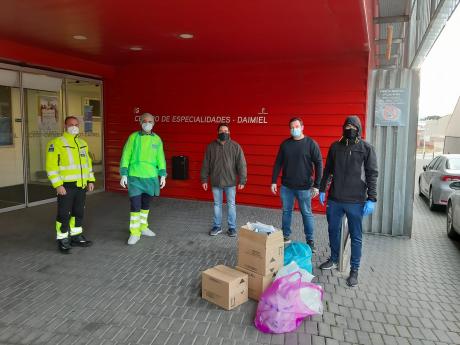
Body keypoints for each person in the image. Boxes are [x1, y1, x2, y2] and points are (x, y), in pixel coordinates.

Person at [318, 115, 378, 287]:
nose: (349, 128)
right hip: (335, 198)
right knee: (332, 230)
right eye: (347, 125)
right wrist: (322, 189)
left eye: (353, 126)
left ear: (358, 129)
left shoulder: (366, 148)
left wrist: (372, 198)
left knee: (356, 236)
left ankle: (354, 270)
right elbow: (328, 170)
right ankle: (334, 258)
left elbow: (372, 173)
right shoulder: (335, 147)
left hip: (356, 200)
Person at [271, 117, 323, 251]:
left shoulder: (311, 144)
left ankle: (310, 241)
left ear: (302, 127)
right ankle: (285, 236)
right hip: (287, 187)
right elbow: (278, 163)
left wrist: (317, 185)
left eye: (297, 126)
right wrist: (273, 181)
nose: (294, 129)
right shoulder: (285, 144)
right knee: (286, 212)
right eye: (292, 127)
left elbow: (319, 164)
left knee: (307, 213)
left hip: (305, 188)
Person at [46, 116, 95, 253]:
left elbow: (88, 165)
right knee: (64, 214)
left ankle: (76, 236)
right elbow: (51, 167)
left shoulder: (82, 143)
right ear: (65, 126)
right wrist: (58, 185)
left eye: (76, 124)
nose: (74, 127)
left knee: (78, 212)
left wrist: (90, 180)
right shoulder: (56, 143)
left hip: (81, 186)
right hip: (65, 186)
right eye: (71, 124)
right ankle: (62, 239)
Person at [120, 113, 167, 245]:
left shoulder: (157, 139)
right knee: (135, 205)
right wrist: (124, 173)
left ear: (154, 123)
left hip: (151, 178)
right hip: (135, 177)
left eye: (150, 121)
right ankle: (135, 233)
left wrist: (163, 175)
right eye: (145, 121)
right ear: (140, 122)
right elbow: (126, 155)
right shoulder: (133, 137)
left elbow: (160, 158)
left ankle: (143, 227)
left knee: (146, 205)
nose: (147, 123)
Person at [201, 123, 247, 237]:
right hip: (216, 181)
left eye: (226, 131)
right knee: (217, 205)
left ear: (229, 132)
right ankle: (217, 226)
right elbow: (206, 164)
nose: (224, 132)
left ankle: (232, 228)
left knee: (231, 205)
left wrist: (242, 180)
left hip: (230, 182)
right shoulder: (211, 146)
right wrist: (204, 179)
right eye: (221, 130)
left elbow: (241, 164)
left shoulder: (235, 146)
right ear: (218, 132)